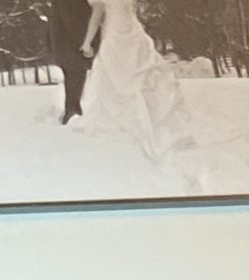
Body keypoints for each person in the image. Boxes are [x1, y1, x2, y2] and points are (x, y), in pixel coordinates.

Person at [79, 0, 192, 164]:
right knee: (139, 75)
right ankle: (153, 120)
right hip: (134, 34)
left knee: (115, 75)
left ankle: (126, 125)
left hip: (115, 36)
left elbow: (95, 18)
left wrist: (87, 43)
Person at [48, 0, 94, 125]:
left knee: (74, 81)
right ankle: (72, 114)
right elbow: (75, 23)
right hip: (71, 47)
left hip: (65, 46)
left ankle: (72, 112)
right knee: (75, 79)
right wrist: (86, 43)